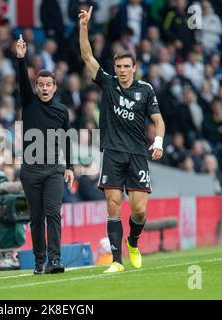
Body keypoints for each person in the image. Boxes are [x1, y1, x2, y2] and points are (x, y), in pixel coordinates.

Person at [79, 6, 165, 273]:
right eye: (118, 67)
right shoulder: (107, 83)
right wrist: (84, 27)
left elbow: (159, 121)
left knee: (139, 211)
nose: (123, 71)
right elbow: (87, 56)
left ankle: (133, 242)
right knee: (113, 205)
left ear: (134, 68)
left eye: (127, 66)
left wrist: (158, 143)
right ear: (114, 68)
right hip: (113, 153)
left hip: (138, 153)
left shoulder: (146, 90)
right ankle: (116, 261)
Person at [16, 35, 74, 275]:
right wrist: (21, 58)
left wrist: (69, 167)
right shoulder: (28, 103)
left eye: (48, 85)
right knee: (37, 218)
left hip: (53, 170)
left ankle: (55, 260)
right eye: (40, 85)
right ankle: (39, 261)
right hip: (30, 171)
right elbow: (21, 81)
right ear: (36, 87)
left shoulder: (62, 111)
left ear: (54, 87)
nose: (44, 88)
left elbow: (66, 139)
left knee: (53, 214)